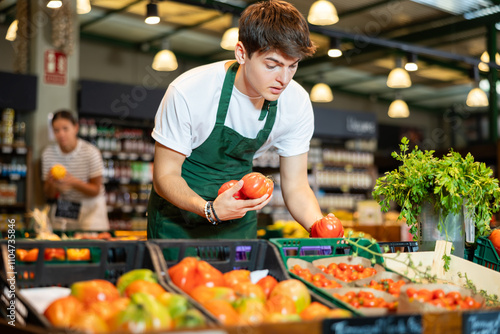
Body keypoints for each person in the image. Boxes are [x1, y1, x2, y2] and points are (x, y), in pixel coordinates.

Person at [147, 0, 324, 239]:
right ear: (241, 53)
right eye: (272, 65)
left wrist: (322, 230)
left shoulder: (296, 103)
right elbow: (165, 175)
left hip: (237, 224)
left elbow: (296, 187)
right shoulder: (190, 91)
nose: (284, 79)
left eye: (292, 66)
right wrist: (209, 209)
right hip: (177, 221)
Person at [42, 110, 109, 231]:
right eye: (56, 130)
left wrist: (73, 182)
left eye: (65, 129)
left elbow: (96, 190)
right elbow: (49, 194)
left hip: (91, 207)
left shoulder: (91, 152)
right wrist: (52, 183)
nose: (61, 134)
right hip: (67, 204)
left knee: (91, 244)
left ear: (76, 128)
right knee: (66, 242)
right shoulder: (48, 154)